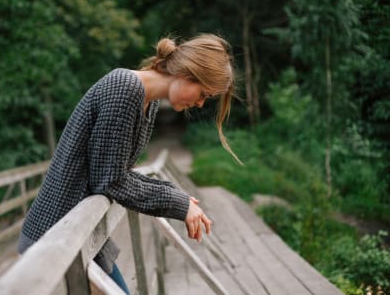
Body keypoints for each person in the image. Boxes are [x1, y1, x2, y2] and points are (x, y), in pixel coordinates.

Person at [17, 33, 240, 294]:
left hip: (84, 240)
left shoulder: (149, 101)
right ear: (186, 73)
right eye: (203, 93)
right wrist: (178, 204)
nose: (200, 103)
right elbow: (110, 181)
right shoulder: (124, 88)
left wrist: (179, 197)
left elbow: (118, 173)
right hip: (55, 243)